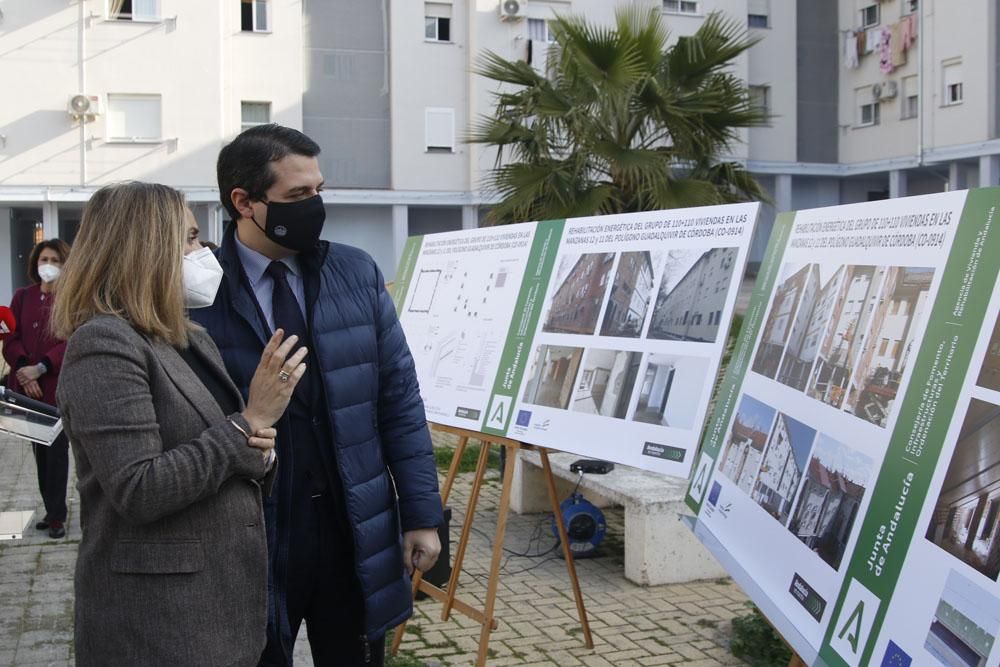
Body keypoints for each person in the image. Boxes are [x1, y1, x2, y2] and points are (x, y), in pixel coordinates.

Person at [191, 124, 443, 666]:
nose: (315, 206)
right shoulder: (196, 293)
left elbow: (398, 400)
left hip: (352, 526)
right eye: (297, 196)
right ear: (244, 202)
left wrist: (422, 513)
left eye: (318, 191)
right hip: (254, 534)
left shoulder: (354, 271)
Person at [52, 181, 308, 666]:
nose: (204, 250)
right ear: (145, 249)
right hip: (159, 624)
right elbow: (138, 488)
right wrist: (248, 422)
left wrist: (261, 445)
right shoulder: (103, 344)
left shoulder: (187, 336)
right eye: (190, 238)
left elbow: (235, 444)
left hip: (217, 607)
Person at [4, 239, 71, 538]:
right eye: (45, 258)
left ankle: (58, 516)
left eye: (56, 260)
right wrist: (24, 371)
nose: (49, 265)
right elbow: (10, 336)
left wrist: (41, 367)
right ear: (35, 262)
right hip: (25, 388)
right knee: (38, 452)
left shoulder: (70, 299)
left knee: (56, 453)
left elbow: (70, 341)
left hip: (54, 388)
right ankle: (49, 509)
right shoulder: (22, 296)